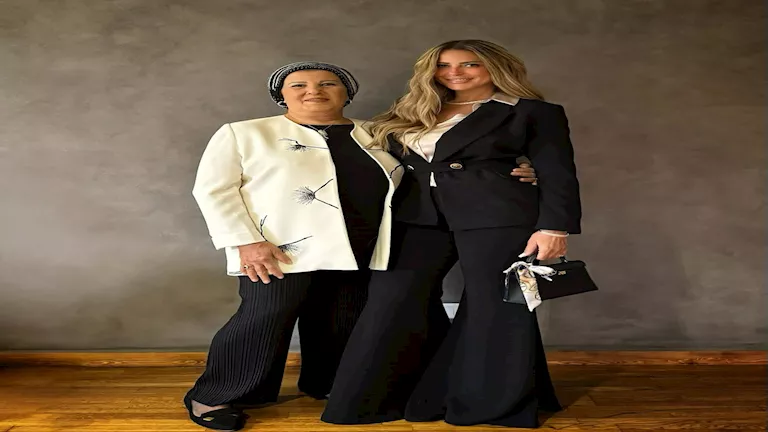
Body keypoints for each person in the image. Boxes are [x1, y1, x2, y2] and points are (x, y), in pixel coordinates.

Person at [185, 60, 539, 430]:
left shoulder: (380, 133)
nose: (313, 91)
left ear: (347, 93)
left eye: (328, 83)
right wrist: (246, 242)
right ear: (281, 95)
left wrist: (515, 169)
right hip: (279, 249)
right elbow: (213, 190)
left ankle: (328, 385)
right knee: (264, 317)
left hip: (366, 248)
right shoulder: (245, 133)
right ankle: (214, 395)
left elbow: (436, 164)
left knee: (343, 321)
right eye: (298, 85)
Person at [322, 40, 581, 429]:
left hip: (499, 216)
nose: (454, 72)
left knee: (497, 304)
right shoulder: (411, 110)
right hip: (416, 216)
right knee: (392, 297)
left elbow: (559, 172)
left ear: (494, 66)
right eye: (443, 65)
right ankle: (380, 400)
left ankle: (491, 404)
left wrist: (554, 228)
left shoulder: (532, 112)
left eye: (469, 64)